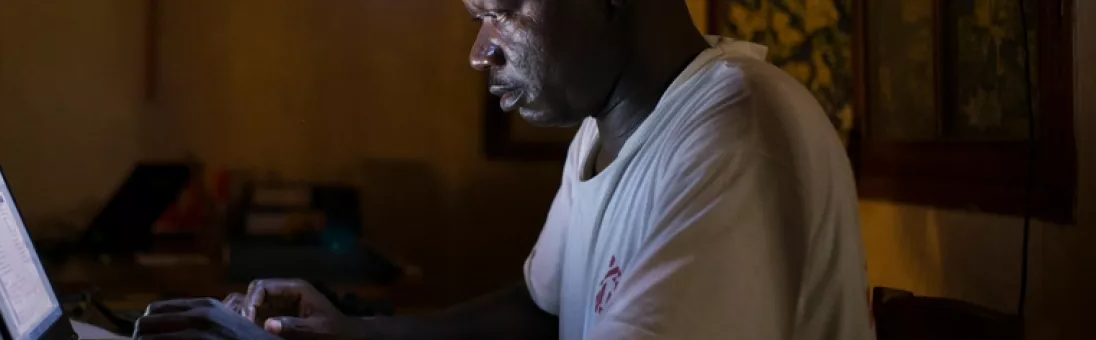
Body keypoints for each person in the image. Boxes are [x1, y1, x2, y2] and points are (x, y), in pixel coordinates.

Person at [133, 0, 873, 339]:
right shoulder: (603, 134)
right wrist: (353, 333)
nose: (479, 51)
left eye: (502, 10)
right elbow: (541, 310)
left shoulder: (737, 131)